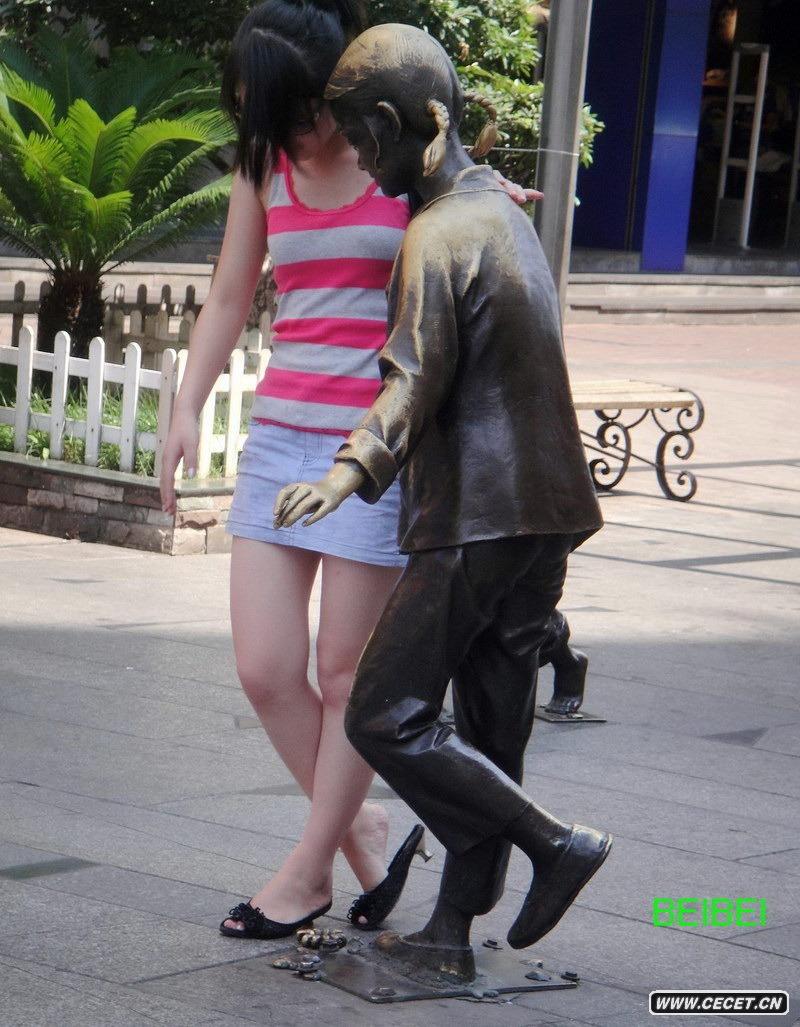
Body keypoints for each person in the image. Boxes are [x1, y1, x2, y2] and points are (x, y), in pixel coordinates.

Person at [159, 0, 538, 941]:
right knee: (265, 666)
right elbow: (230, 295)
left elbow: (468, 227)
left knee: (343, 674)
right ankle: (358, 826)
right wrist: (185, 406)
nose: (292, 134)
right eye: (267, 118)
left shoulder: (392, 159)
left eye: (299, 112)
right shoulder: (264, 165)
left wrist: (488, 201)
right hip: (281, 440)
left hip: (375, 449)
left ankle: (305, 870)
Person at [274, 23, 612, 978]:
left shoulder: (436, 232)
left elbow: (413, 380)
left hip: (479, 511)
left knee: (385, 713)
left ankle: (555, 843)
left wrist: (343, 475)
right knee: (492, 730)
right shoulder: (499, 212)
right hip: (545, 510)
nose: (358, 156)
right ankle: (451, 933)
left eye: (363, 136)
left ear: (400, 124)